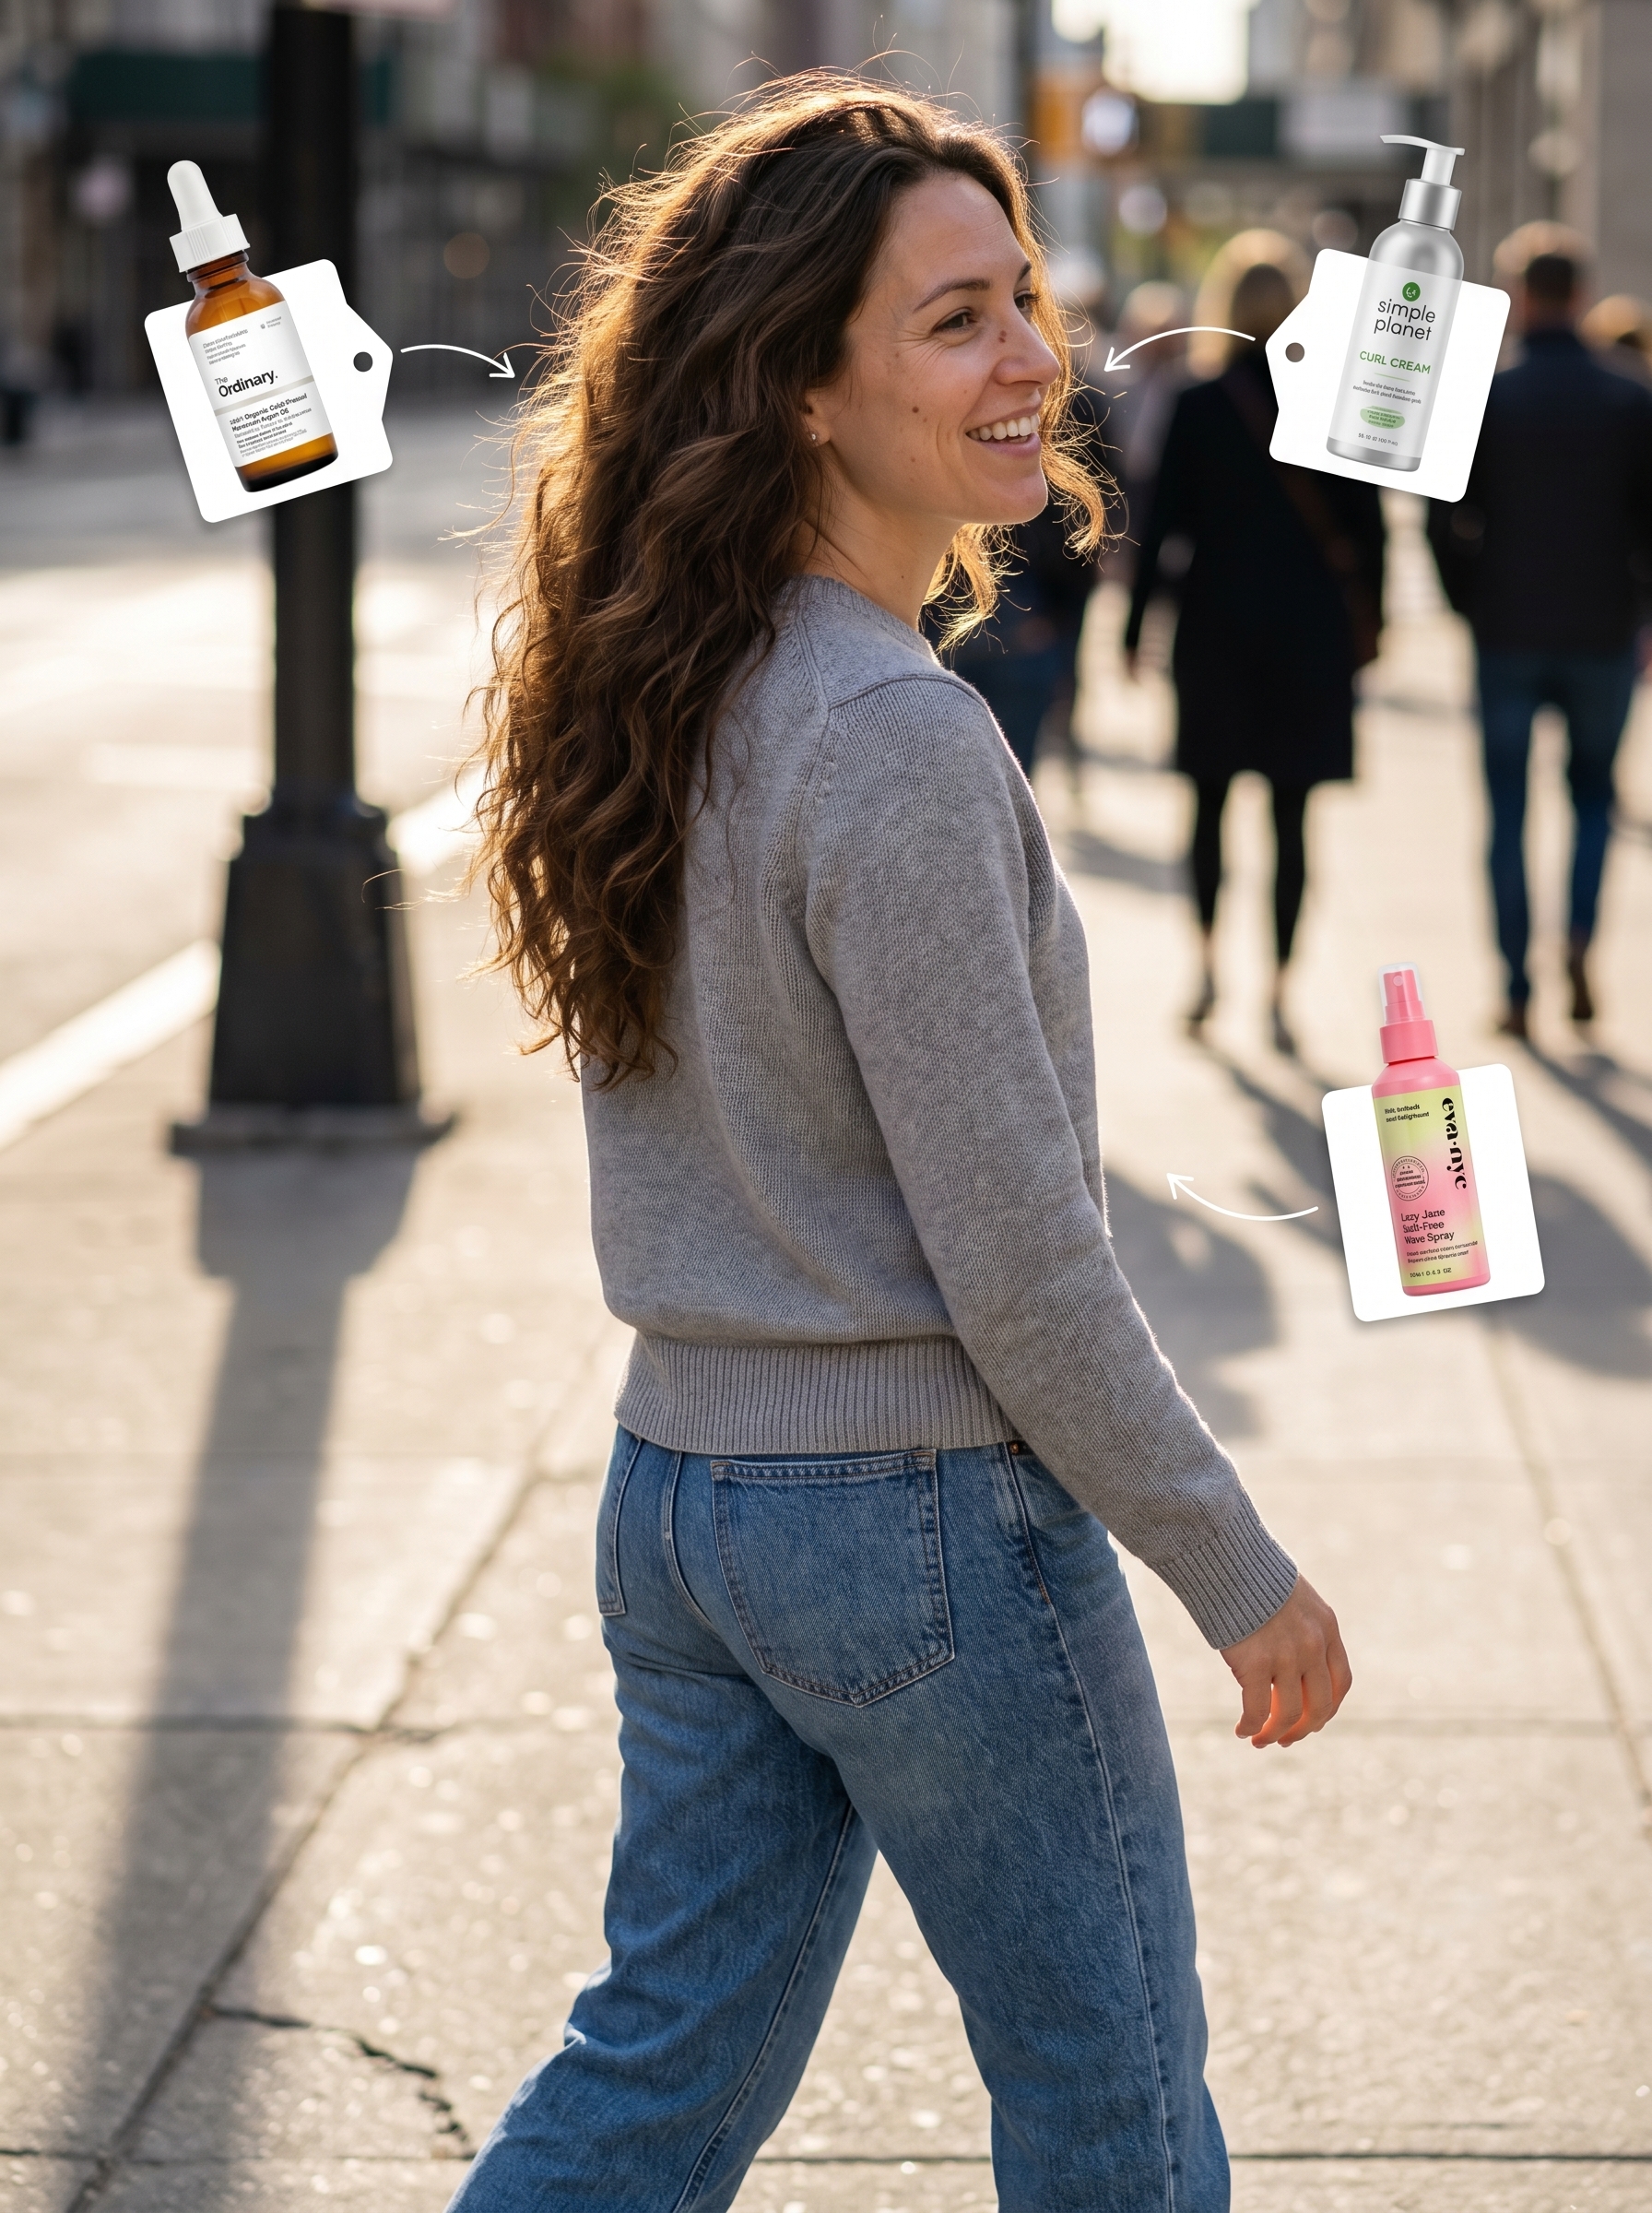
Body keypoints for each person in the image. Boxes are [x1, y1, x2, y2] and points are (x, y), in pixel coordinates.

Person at [453, 79, 1350, 2213]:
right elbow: (1020, 1260)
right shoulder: (891, 736)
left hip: (685, 1499)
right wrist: (1232, 1563)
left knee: (651, 2078)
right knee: (1113, 2108)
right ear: (802, 388)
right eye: (955, 320)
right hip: (922, 1522)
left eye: (1021, 295)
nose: (1032, 352)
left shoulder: (667, 684)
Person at [1125, 254, 1385, 1051]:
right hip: (1309, 634)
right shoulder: (1334, 402)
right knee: (1292, 817)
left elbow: (1160, 527)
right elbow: (1370, 530)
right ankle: (1279, 991)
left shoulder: (1198, 402)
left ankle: (1208, 968)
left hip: (1216, 629)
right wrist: (1374, 628)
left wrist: (1133, 629)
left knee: (1207, 806)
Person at [1429, 240, 1652, 1034]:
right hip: (1601, 629)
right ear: (1581, 296)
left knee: (1507, 813)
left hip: (1509, 631)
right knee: (1593, 797)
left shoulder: (1485, 395)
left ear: (1519, 296)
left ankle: (1517, 985)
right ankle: (1580, 935)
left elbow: (1443, 519)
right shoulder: (1630, 397)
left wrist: (1468, 602)